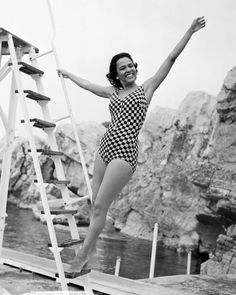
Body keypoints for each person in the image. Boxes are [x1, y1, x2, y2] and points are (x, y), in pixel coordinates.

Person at [57, 16, 206, 277]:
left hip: (125, 151)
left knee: (102, 206)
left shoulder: (146, 88)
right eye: (122, 68)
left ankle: (81, 256)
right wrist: (69, 75)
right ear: (116, 73)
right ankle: (91, 258)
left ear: (135, 68)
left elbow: (170, 59)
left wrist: (190, 31)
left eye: (130, 66)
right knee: (95, 205)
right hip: (106, 145)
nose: (128, 70)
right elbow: (90, 86)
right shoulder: (112, 92)